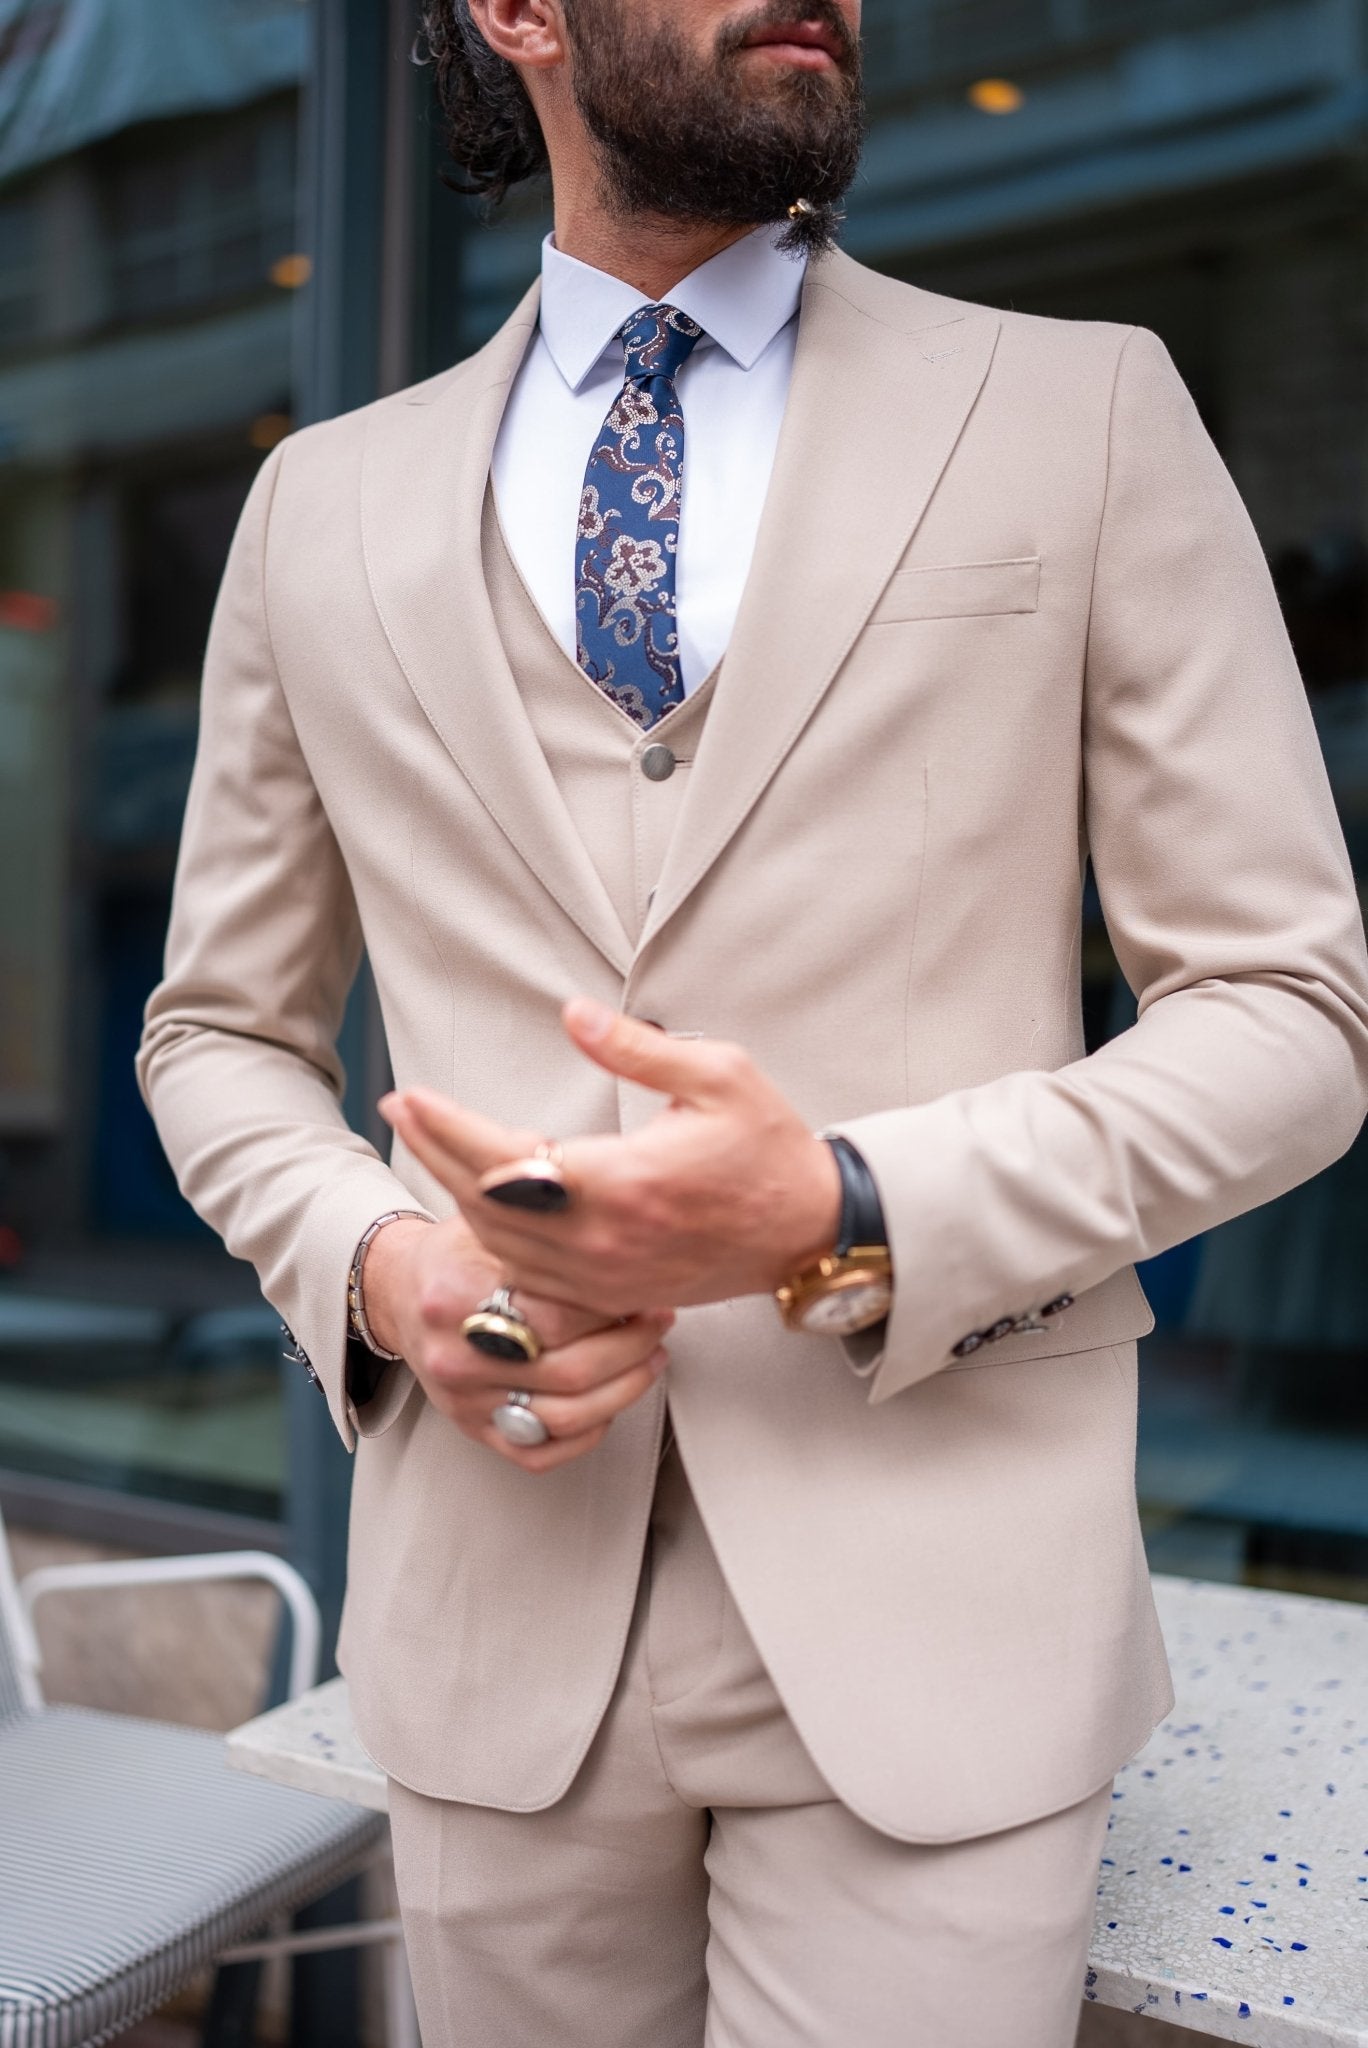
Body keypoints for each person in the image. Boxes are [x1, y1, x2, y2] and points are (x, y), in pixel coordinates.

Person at [136, 1, 1368, 2041]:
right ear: (517, 16)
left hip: (945, 1612)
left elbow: (1293, 1008)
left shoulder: (1086, 412)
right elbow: (218, 1033)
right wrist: (383, 1264)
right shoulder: (319, 510)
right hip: (493, 1607)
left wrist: (851, 1198)